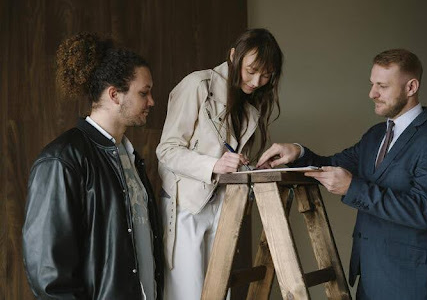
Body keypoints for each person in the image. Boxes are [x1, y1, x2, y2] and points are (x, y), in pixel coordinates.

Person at [257, 49, 427, 300]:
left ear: (411, 87)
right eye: (372, 84)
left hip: (413, 284)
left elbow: (424, 210)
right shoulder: (374, 136)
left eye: (382, 86)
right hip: (369, 280)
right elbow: (331, 164)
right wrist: (297, 152)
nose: (372, 93)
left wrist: (353, 188)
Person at [22, 33, 164, 299]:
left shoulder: (130, 158)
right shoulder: (61, 160)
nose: (152, 102)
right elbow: (48, 274)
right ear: (114, 95)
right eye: (144, 93)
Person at [156, 28, 283, 299]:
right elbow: (167, 150)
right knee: (187, 294)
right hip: (186, 205)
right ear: (233, 55)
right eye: (251, 70)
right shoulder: (197, 85)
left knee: (218, 293)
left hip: (224, 208)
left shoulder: (249, 106)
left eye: (266, 74)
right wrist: (214, 165)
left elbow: (230, 160)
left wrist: (250, 169)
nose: (257, 80)